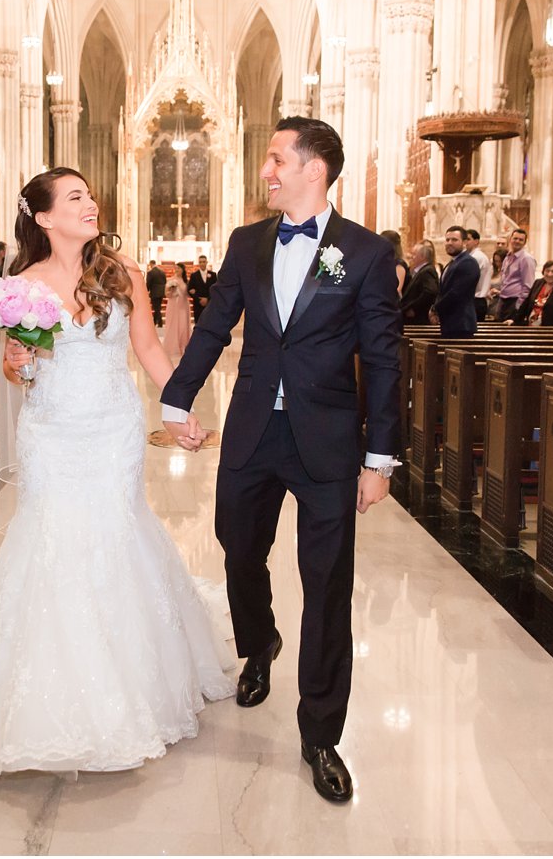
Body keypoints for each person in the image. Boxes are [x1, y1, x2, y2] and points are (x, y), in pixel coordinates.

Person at [0, 167, 234, 777]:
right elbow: (15, 374)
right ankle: (42, 692)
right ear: (45, 217)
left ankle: (130, 679)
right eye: (76, 197)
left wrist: (178, 408)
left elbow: (150, 349)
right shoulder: (20, 286)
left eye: (92, 195)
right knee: (51, 537)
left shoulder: (121, 275)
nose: (92, 204)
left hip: (111, 427)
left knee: (113, 531)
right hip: (50, 432)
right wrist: (18, 361)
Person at [161, 116, 402, 804]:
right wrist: (179, 399)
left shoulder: (363, 253)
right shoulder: (247, 243)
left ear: (314, 167)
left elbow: (383, 360)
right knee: (237, 545)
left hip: (328, 440)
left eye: (275, 158)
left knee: (325, 583)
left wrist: (379, 459)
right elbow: (214, 327)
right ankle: (259, 640)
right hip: (253, 430)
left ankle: (321, 732)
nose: (265, 170)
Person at [432, 226, 480, 338]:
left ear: (464, 242)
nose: (449, 243)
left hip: (461, 322)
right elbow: (444, 290)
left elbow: (456, 293)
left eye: (454, 240)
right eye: (447, 240)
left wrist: (436, 308)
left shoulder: (468, 262)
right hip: (451, 321)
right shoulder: (453, 262)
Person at [509, 260, 553, 327]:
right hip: (530, 325)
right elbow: (526, 303)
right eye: (547, 271)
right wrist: (514, 320)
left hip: (549, 328)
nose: (549, 274)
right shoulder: (538, 283)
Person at [495, 228, 537, 320]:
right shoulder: (507, 257)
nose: (517, 241)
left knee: (509, 331)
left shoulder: (526, 259)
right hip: (503, 299)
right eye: (515, 238)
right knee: (498, 329)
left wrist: (519, 305)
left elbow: (528, 285)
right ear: (510, 239)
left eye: (521, 240)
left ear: (525, 243)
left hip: (515, 300)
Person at [399, 241, 439, 326]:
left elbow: (430, 292)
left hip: (418, 319)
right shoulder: (422, 270)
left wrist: (414, 309)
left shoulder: (427, 271)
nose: (411, 257)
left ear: (422, 256)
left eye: (414, 254)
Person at [162, 262, 192, 357]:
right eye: (176, 268)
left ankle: (184, 346)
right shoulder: (171, 280)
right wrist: (171, 290)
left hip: (183, 305)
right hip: (173, 305)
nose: (177, 270)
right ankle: (174, 347)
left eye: (179, 268)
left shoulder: (185, 281)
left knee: (183, 325)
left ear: (183, 270)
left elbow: (187, 294)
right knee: (174, 325)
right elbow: (167, 294)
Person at [465, 229, 491, 321]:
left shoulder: (477, 257)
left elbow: (468, 280)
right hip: (473, 300)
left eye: (468, 239)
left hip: (476, 300)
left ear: (476, 241)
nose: (465, 242)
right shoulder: (471, 256)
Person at [187, 254, 217, 322]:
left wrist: (208, 299)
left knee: (210, 323)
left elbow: (215, 289)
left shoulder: (213, 275)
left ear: (207, 262)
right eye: (200, 262)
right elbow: (190, 289)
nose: (202, 263)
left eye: (204, 262)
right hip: (198, 304)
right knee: (198, 324)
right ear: (198, 263)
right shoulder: (194, 275)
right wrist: (198, 299)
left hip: (210, 304)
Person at [145, 259, 167, 327]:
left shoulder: (150, 272)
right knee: (157, 307)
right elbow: (165, 281)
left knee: (156, 308)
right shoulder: (162, 271)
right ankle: (154, 322)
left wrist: (147, 291)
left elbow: (148, 283)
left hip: (154, 292)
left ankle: (160, 323)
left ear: (151, 264)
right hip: (161, 292)